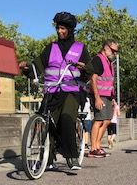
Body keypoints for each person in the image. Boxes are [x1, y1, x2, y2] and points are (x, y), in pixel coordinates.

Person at [18, 11, 90, 170]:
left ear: (70, 30)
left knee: (65, 117)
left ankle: (72, 156)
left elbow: (89, 70)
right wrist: (28, 67)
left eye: (63, 28)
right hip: (52, 90)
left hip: (72, 90)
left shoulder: (80, 48)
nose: (59, 31)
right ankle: (48, 158)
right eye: (58, 28)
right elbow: (38, 65)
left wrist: (84, 68)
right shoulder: (51, 47)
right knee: (47, 121)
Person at [88, 39, 119, 158]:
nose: (115, 53)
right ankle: (93, 148)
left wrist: (113, 98)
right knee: (99, 120)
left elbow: (109, 82)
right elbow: (93, 78)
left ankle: (98, 145)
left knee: (106, 121)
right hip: (99, 95)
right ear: (106, 48)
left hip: (108, 96)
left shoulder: (109, 62)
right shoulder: (98, 59)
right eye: (113, 51)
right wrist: (97, 97)